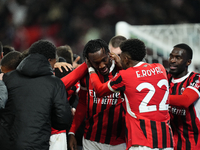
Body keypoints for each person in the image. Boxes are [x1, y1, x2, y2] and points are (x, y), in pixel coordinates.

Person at [86, 39, 174, 150]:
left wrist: (91, 69)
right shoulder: (160, 68)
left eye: (121, 56)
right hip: (166, 141)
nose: (119, 58)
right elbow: (141, 76)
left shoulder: (124, 76)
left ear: (126, 59)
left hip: (141, 142)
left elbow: (99, 91)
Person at [0, 40, 73, 150]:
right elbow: (63, 120)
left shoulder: (7, 78)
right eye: (54, 62)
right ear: (49, 60)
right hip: (37, 144)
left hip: (7, 144)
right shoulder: (55, 83)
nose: (54, 66)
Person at [66, 39, 126, 150]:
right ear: (89, 62)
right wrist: (72, 132)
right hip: (91, 140)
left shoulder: (122, 72)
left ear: (109, 54)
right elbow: (83, 103)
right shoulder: (86, 74)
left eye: (104, 60)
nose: (102, 65)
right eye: (96, 63)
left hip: (119, 142)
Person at [168, 43, 200, 150]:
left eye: (178, 58)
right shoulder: (165, 79)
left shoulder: (196, 78)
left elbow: (185, 100)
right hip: (172, 142)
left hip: (194, 142)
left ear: (188, 62)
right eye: (171, 56)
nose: (172, 60)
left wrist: (158, 97)